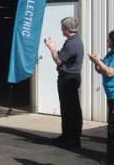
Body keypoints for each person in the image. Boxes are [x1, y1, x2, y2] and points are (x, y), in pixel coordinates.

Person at [44, 17, 84, 148]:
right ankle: (68, 136)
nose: (61, 29)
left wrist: (52, 47)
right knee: (69, 108)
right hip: (70, 77)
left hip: (68, 78)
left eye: (62, 27)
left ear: (67, 29)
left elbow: (59, 60)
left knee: (70, 109)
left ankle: (72, 138)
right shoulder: (74, 40)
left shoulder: (72, 43)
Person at [89, 30, 114, 164]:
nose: (107, 41)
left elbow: (110, 72)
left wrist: (99, 62)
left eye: (109, 39)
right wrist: (96, 62)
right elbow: (101, 69)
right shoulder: (112, 53)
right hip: (112, 95)